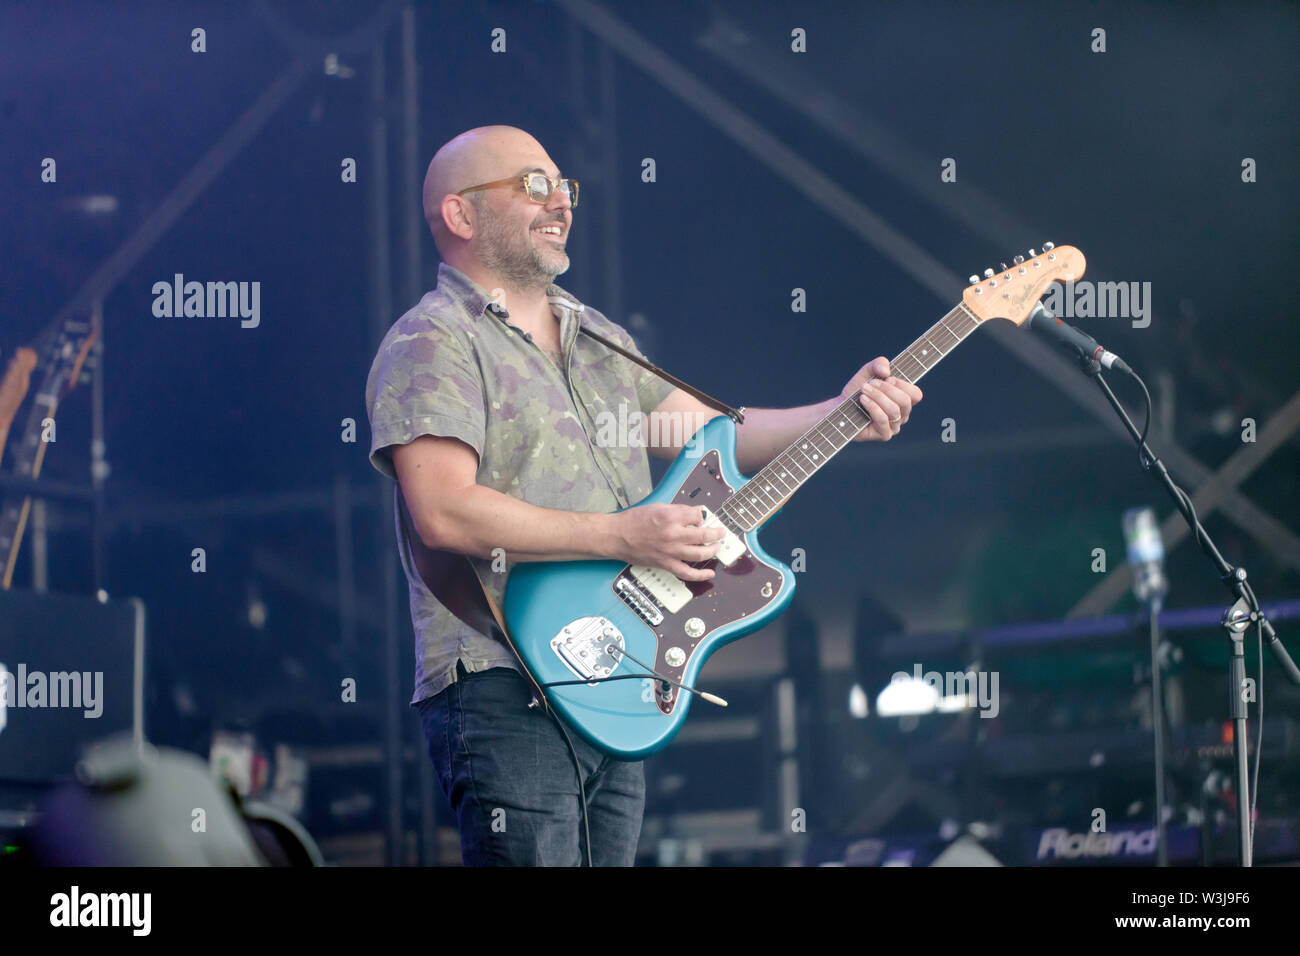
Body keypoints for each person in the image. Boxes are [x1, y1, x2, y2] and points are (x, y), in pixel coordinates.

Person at [364, 125, 921, 866]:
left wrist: (843, 412)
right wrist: (623, 536)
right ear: (461, 216)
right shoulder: (431, 339)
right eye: (533, 185)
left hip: (618, 676)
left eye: (565, 187)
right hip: (503, 678)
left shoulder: (597, 334)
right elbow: (444, 512)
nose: (560, 201)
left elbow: (720, 435)